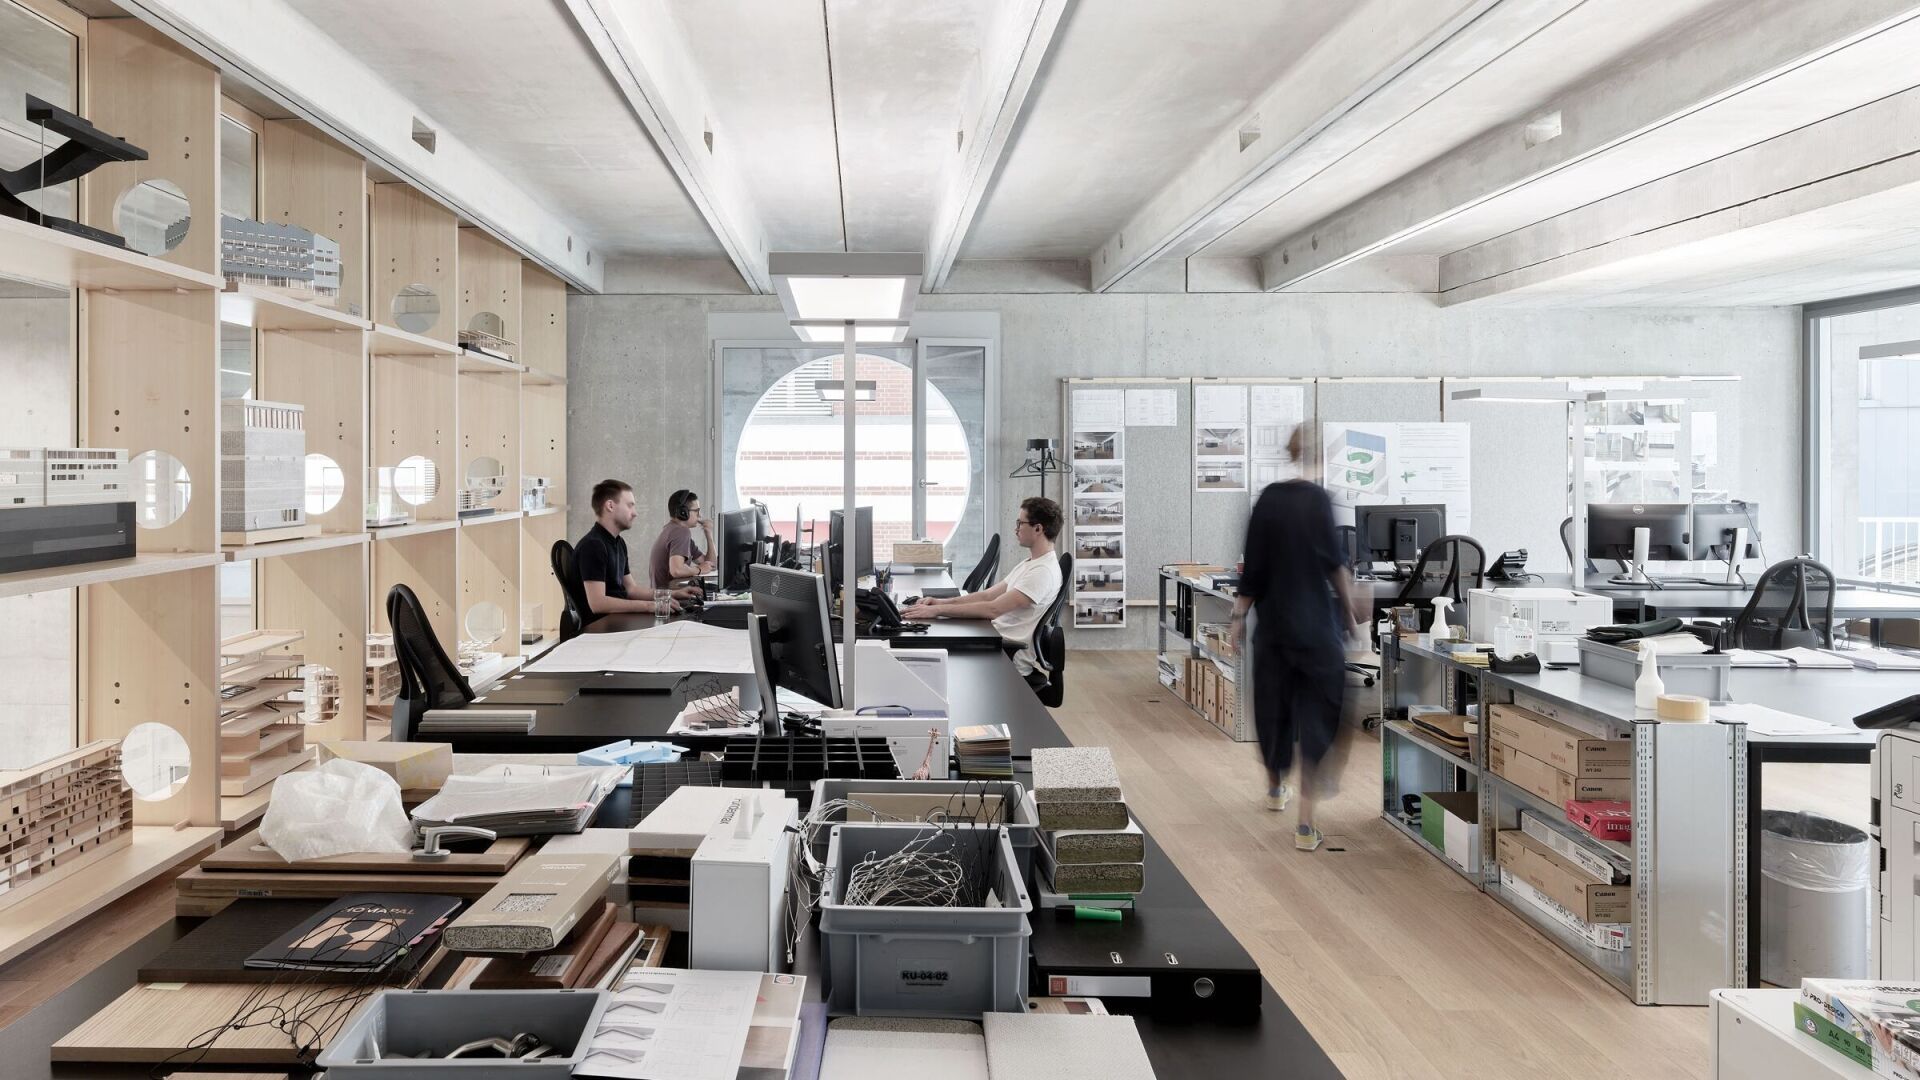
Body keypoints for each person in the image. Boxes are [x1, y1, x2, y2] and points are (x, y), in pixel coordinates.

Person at [1230, 428, 1365, 852]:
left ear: (1290, 453)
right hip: (1316, 629)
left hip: (1275, 628)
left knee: (1273, 710)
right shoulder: (1319, 501)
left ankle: (1275, 789)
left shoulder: (1268, 500)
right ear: (1320, 456)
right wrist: (1350, 615)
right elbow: (1335, 566)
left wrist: (1237, 618)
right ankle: (1305, 825)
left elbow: (1252, 570)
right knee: (1318, 718)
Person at [901, 497, 1063, 689]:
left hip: (1006, 656)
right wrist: (939, 603)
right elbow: (987, 596)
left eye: (1020, 523)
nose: (1016, 529)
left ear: (1038, 529)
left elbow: (993, 609)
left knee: (924, 649)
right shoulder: (1030, 564)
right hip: (991, 638)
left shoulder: (1043, 572)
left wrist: (937, 611)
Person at [577, 480, 700, 617]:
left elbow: (631, 589)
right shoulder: (593, 545)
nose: (635, 513)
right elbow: (598, 604)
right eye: (630, 506)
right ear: (610, 506)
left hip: (617, 619)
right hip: (603, 625)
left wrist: (674, 594)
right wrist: (651, 606)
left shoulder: (618, 543)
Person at [650, 488, 715, 590]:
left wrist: (709, 535)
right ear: (683, 512)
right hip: (669, 597)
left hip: (667, 594)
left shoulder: (674, 530)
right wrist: (699, 569)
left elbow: (710, 564)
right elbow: (676, 570)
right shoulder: (680, 532)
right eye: (696, 511)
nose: (700, 515)